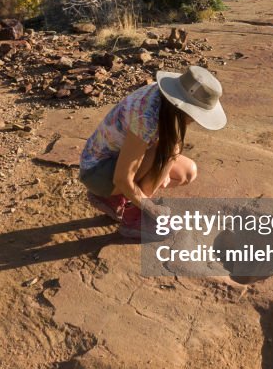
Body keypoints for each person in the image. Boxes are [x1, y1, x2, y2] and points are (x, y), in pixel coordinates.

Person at [79, 65, 227, 239]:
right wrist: (153, 209)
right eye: (195, 114)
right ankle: (134, 218)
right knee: (169, 150)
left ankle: (114, 199)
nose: (195, 120)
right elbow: (122, 178)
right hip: (97, 170)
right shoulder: (147, 117)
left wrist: (159, 172)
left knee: (186, 172)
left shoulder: (164, 100)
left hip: (114, 160)